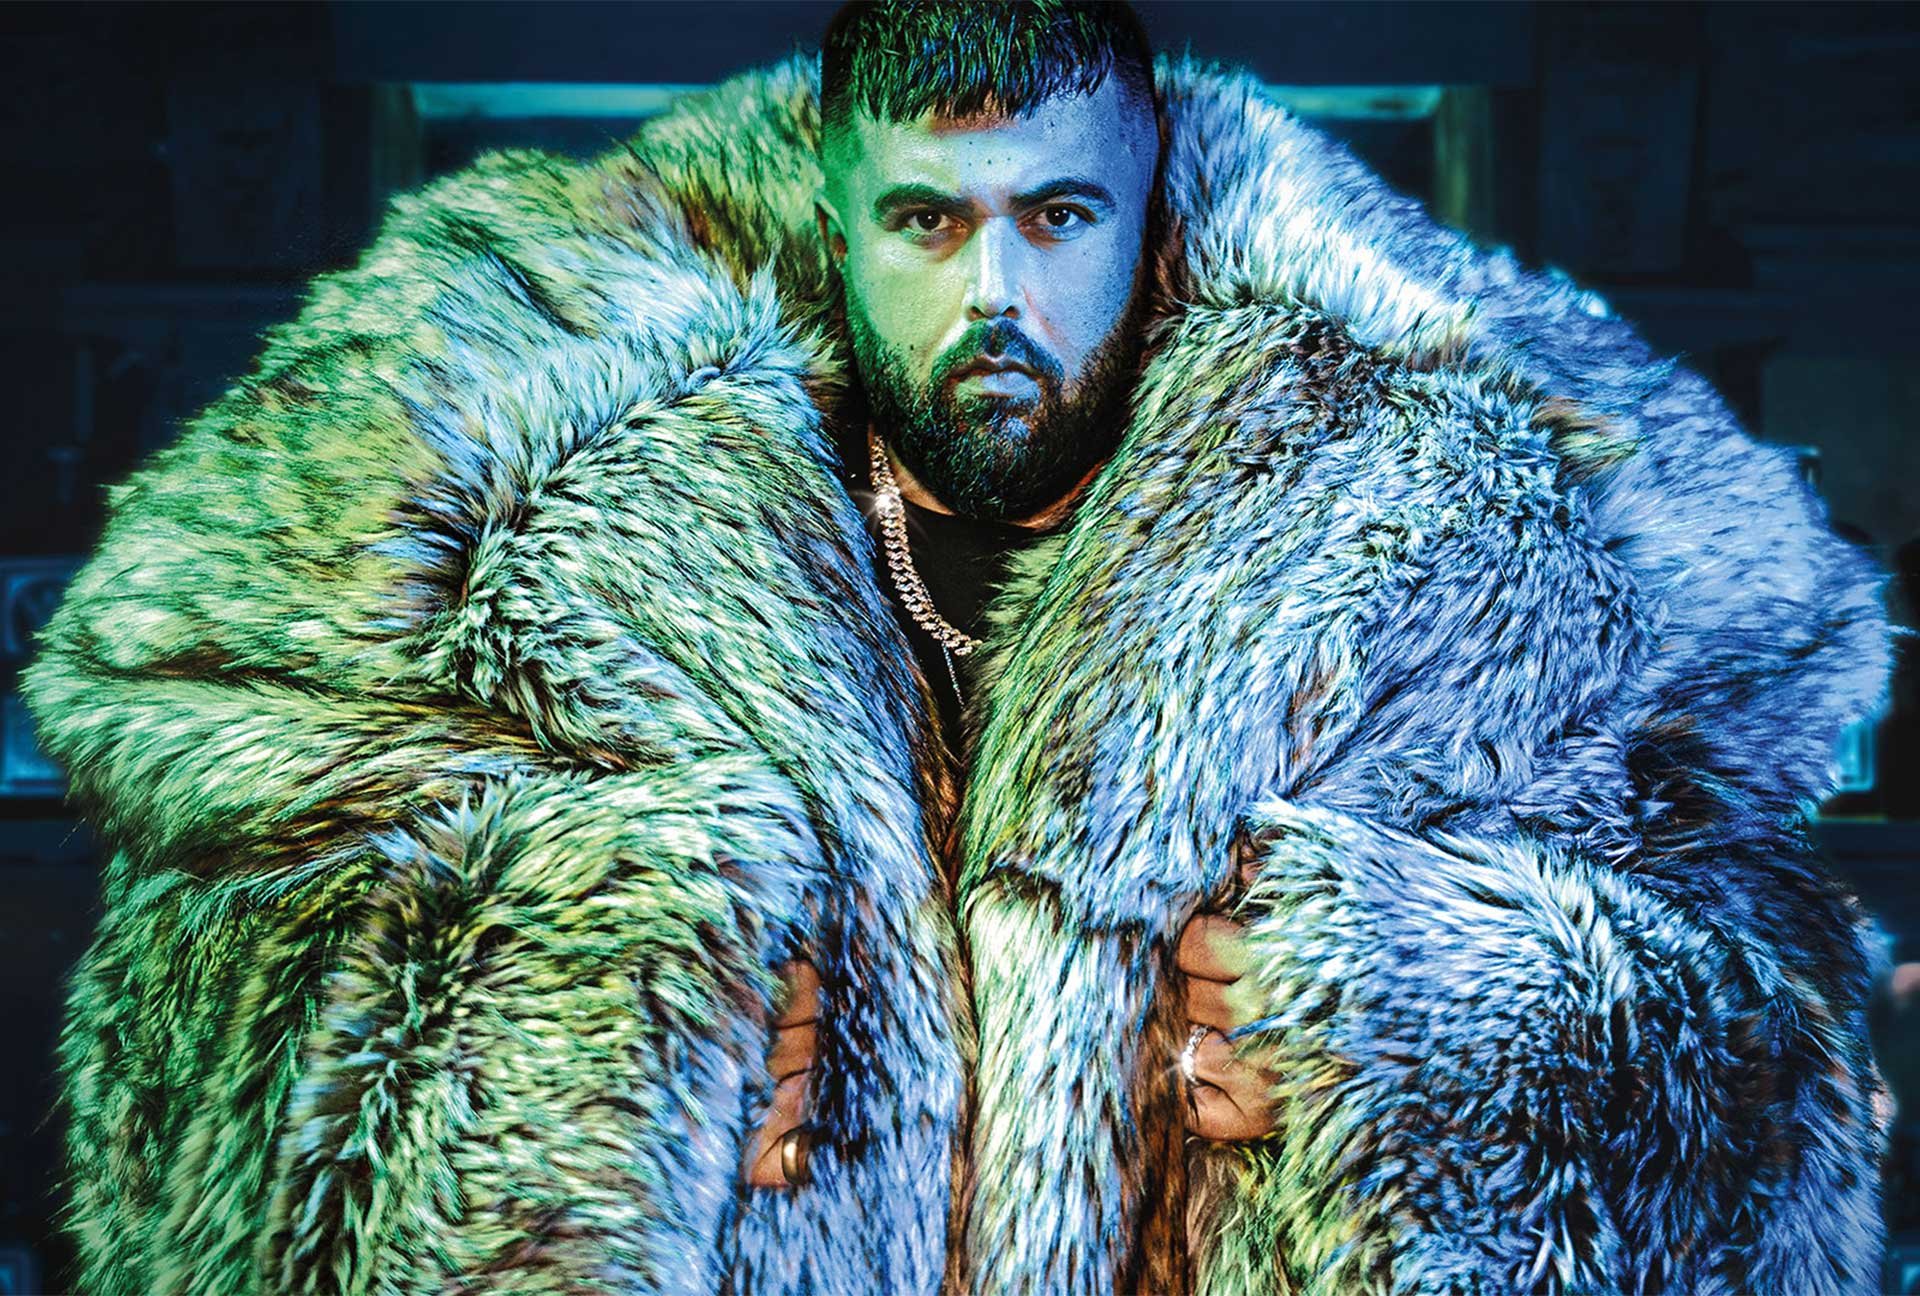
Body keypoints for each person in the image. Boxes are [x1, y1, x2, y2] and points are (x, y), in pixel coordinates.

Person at [23, 1, 1896, 1293]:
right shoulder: (507, 521)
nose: (995, 294)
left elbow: (1775, 1067)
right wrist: (581, 1009)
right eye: (926, 220)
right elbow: (185, 1087)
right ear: (833, 208)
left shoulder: (1480, 536)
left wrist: (1425, 1034)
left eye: (1057, 216)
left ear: (1148, 202)